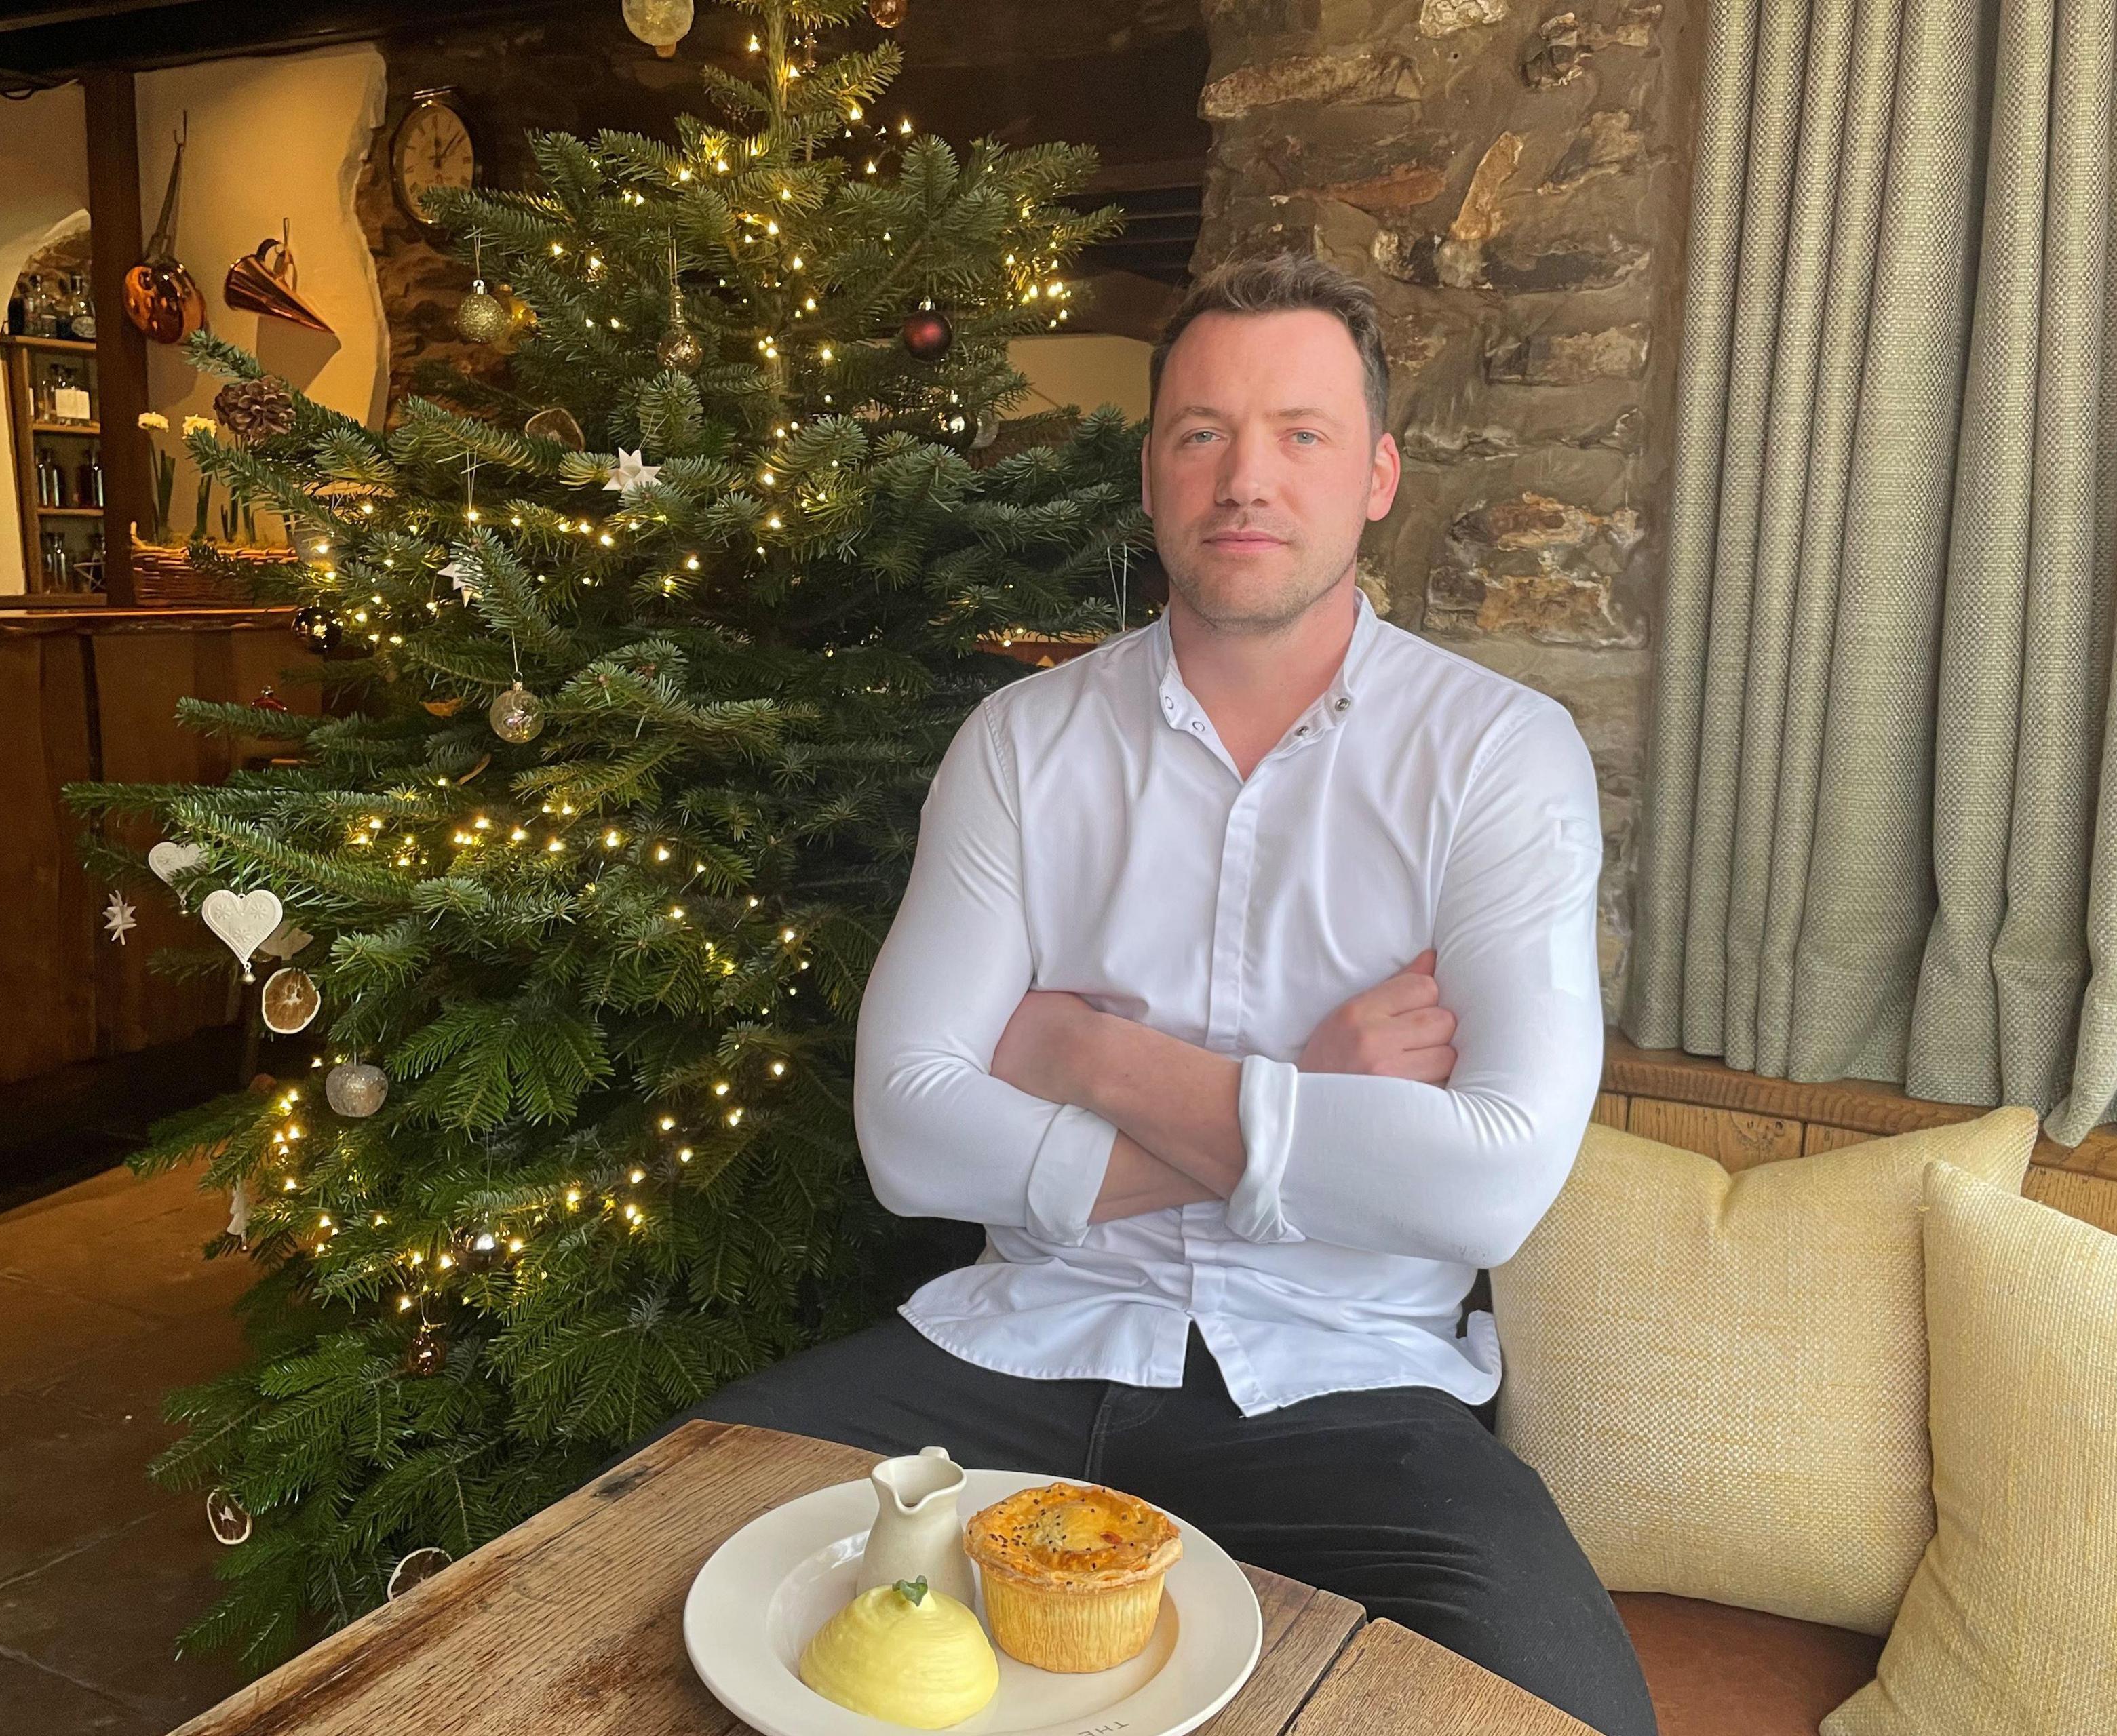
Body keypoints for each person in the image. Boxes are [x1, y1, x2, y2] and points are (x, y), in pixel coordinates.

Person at [642, 254, 1655, 1735]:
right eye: (1201, 432)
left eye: (1301, 432)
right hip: (1024, 1343)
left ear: (1377, 472)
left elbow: (1491, 1187)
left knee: (1572, 1714)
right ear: (1151, 469)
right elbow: (909, 1135)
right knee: (653, 1542)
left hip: (1353, 1389)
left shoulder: (1498, 757)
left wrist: (1091, 1053)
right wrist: (1312, 1094)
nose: (1246, 476)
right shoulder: (1019, 744)